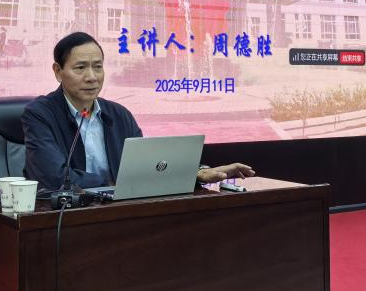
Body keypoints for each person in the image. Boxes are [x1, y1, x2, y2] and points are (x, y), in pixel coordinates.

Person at [22, 32, 255, 191]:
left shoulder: (119, 115)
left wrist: (197, 173)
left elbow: (147, 167)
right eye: (80, 68)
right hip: (63, 218)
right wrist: (118, 183)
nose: (91, 77)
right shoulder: (40, 114)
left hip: (118, 211)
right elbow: (53, 178)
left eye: (98, 67)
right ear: (58, 71)